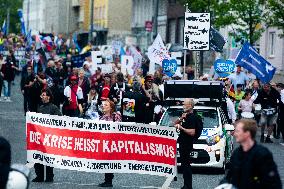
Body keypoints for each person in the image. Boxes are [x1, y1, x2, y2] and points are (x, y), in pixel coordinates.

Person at [220, 119, 282, 189]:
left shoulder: (262, 155)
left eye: (237, 131)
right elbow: (229, 177)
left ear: (247, 134)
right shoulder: (236, 153)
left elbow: (274, 183)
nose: (234, 134)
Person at [32, 88, 62, 182]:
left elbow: (60, 119)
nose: (42, 96)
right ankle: (39, 176)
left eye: (44, 95)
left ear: (48, 97)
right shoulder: (40, 107)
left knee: (49, 158)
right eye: (42, 95)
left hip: (49, 137)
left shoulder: (54, 107)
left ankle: (49, 176)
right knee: (39, 156)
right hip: (40, 137)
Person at [174, 98, 199, 189]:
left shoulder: (192, 117)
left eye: (185, 104)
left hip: (187, 143)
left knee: (186, 165)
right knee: (184, 165)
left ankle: (188, 186)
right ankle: (186, 185)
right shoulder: (185, 115)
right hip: (182, 142)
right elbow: (174, 123)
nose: (183, 105)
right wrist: (181, 118)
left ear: (190, 106)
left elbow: (192, 132)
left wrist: (182, 128)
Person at [98, 99, 122, 187]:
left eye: (106, 105)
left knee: (109, 161)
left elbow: (119, 127)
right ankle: (107, 180)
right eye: (103, 105)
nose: (103, 106)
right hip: (104, 143)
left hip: (113, 142)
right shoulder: (101, 117)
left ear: (111, 108)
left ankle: (109, 181)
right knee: (105, 161)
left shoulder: (116, 116)